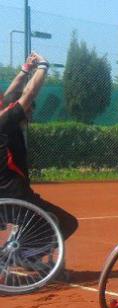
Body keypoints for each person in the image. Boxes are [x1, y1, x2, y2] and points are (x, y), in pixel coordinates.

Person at [0, 52, 79, 241]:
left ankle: (20, 250)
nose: (31, 115)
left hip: (5, 198)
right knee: (66, 223)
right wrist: (43, 66)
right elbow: (29, 93)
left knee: (36, 218)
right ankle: (28, 255)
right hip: (15, 197)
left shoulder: (3, 119)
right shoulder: (8, 122)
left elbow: (10, 96)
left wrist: (25, 70)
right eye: (30, 110)